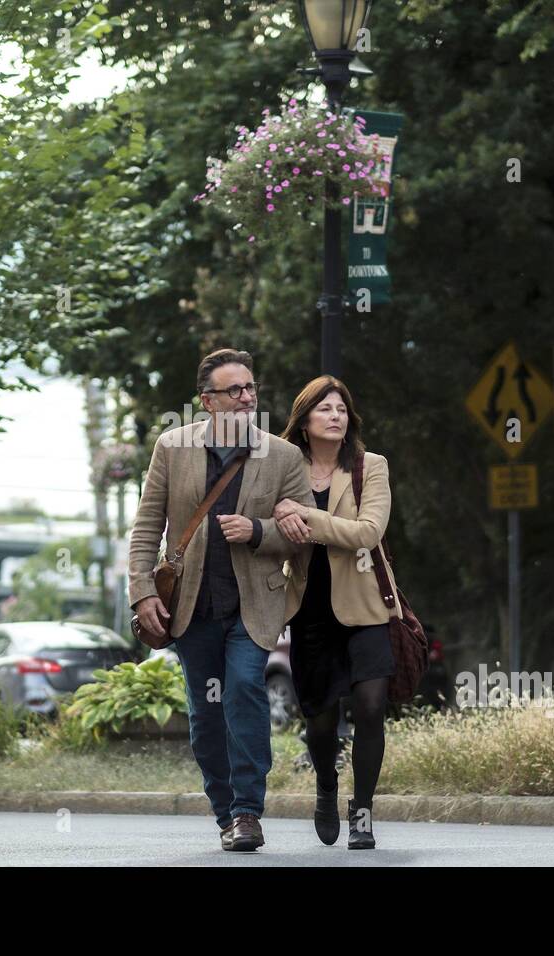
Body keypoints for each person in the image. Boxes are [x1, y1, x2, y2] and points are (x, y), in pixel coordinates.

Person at [128, 348, 313, 852]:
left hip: (254, 606)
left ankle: (248, 812)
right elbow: (147, 527)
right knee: (206, 713)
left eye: (250, 388)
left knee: (244, 691)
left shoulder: (283, 456)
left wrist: (258, 531)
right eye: (234, 390)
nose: (246, 397)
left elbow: (305, 532)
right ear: (207, 400)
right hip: (191, 607)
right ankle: (223, 811)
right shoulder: (172, 447)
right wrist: (143, 591)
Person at [276, 375, 399, 849]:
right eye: (325, 409)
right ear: (304, 421)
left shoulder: (371, 467)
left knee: (370, 708)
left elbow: (367, 532)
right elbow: (274, 533)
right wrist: (280, 519)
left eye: (342, 409)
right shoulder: (285, 472)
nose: (335, 416)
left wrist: (305, 517)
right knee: (321, 719)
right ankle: (326, 788)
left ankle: (362, 811)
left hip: (366, 609)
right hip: (309, 612)